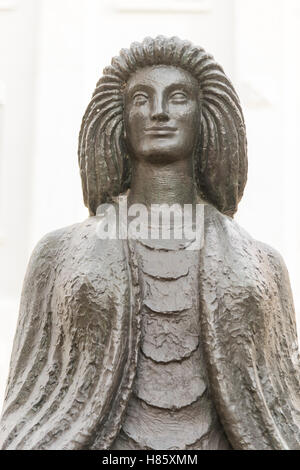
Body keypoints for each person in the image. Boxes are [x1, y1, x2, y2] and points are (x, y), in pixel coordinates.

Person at [1, 36, 300, 450]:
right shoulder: (58, 255)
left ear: (205, 117)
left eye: (178, 98)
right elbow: (29, 401)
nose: (159, 111)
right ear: (119, 118)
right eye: (141, 99)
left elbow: (282, 410)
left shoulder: (263, 265)